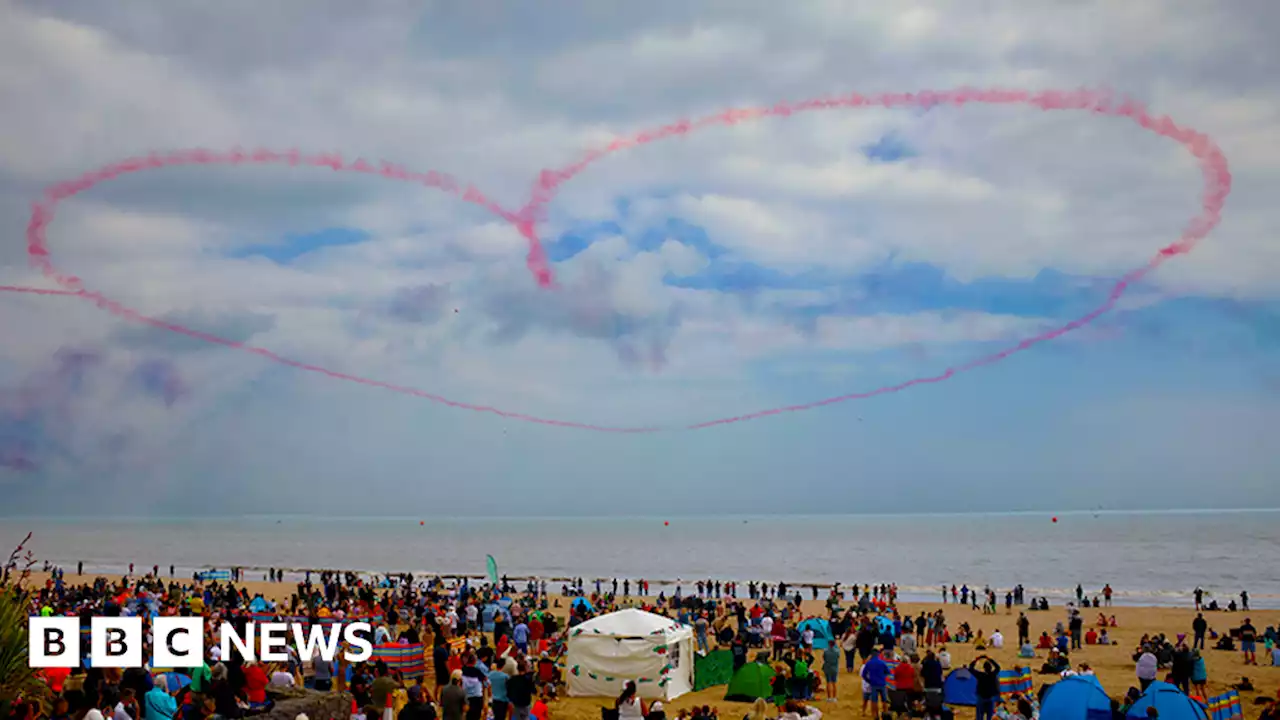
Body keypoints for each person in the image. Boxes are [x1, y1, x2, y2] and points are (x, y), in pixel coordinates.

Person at [970, 656, 1001, 720]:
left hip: (981, 697)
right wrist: (989, 659)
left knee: (979, 716)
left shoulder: (980, 675)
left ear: (984, 668)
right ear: (991, 668)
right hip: (990, 697)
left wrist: (976, 659)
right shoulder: (992, 675)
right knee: (990, 716)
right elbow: (998, 667)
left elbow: (971, 669)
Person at [860, 650, 889, 719]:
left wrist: (869, 681)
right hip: (882, 684)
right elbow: (887, 672)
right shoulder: (882, 662)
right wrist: (883, 677)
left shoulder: (869, 663)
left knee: (874, 701)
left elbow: (863, 675)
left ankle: (876, 715)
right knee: (884, 700)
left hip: (873, 684)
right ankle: (885, 714)